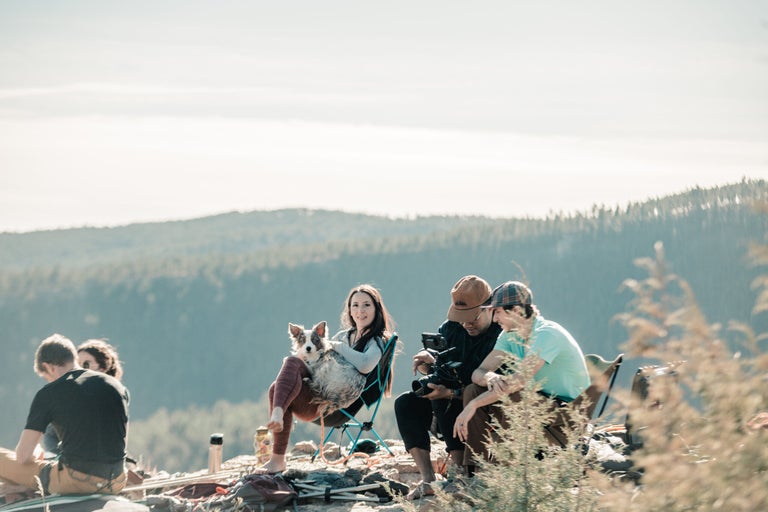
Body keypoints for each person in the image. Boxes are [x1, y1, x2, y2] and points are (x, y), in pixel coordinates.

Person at [453, 280, 590, 469]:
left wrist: (473, 406)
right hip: (538, 403)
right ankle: (473, 470)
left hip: (567, 412)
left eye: (498, 312)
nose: (494, 319)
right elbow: (478, 373)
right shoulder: (509, 335)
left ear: (516, 310)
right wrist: (490, 377)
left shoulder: (547, 334)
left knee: (513, 395)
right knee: (472, 390)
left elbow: (518, 382)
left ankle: (506, 471)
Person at [260, 284, 396, 474]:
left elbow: (365, 365)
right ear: (349, 309)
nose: (360, 311)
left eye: (366, 305)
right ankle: (277, 417)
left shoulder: (376, 340)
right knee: (285, 374)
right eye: (355, 305)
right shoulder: (345, 336)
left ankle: (277, 444)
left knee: (280, 386)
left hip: (333, 407)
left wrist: (339, 347)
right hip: (318, 392)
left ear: (376, 309)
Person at [394, 275, 501, 500]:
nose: (466, 324)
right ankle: (428, 478)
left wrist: (452, 392)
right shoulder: (452, 328)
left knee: (443, 396)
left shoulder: (501, 335)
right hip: (449, 400)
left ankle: (461, 471)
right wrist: (427, 363)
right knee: (405, 404)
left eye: (472, 318)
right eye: (461, 318)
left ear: (489, 309)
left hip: (483, 407)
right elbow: (439, 364)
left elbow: (497, 390)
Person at [0, 334, 130, 495]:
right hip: (117, 480)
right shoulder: (116, 386)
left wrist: (35, 453)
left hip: (76, 481)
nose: (48, 381)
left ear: (49, 367)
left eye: (46, 377)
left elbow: (23, 457)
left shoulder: (49, 393)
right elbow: (121, 441)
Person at [42, 339, 125, 455]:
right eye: (77, 364)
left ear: (103, 368)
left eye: (86, 364)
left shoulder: (113, 396)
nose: (80, 369)